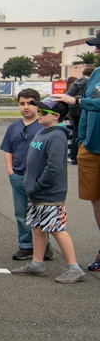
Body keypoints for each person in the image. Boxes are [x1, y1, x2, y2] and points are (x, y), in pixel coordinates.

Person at [10, 99, 86, 283]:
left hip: (49, 194)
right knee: (37, 228)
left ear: (56, 116)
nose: (39, 113)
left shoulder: (57, 136)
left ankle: (74, 268)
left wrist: (38, 185)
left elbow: (53, 167)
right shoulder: (44, 132)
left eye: (44, 112)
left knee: (56, 229)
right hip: (36, 194)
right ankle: (37, 264)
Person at [54, 32, 100, 272]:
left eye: (99, 46)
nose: (96, 50)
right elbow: (88, 111)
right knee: (95, 198)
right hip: (91, 147)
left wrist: (77, 103)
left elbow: (85, 103)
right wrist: (81, 139)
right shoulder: (96, 75)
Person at [0, 88, 50, 261]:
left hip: (38, 178)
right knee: (21, 213)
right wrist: (11, 172)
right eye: (22, 104)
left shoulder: (44, 126)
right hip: (18, 175)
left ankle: (44, 246)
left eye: (30, 103)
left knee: (41, 212)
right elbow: (8, 150)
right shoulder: (14, 127)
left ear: (38, 105)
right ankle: (26, 245)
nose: (26, 107)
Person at [65, 67, 92, 164]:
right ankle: (82, 154)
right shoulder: (90, 83)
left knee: (76, 132)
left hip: (73, 110)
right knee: (84, 132)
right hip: (84, 109)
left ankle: (73, 156)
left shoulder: (75, 83)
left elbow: (69, 95)